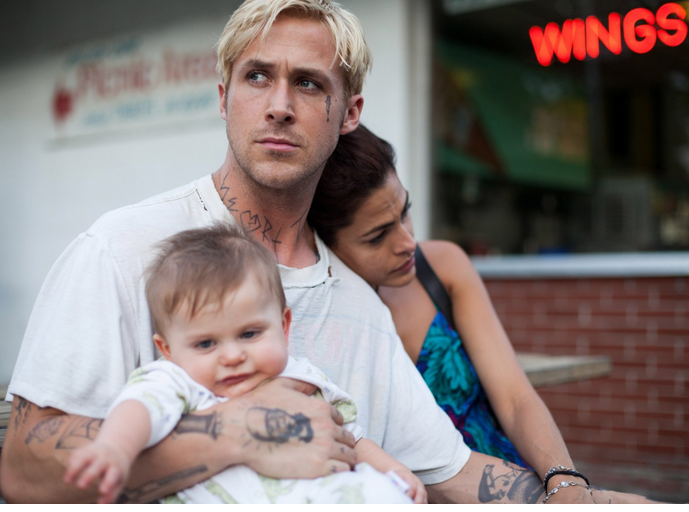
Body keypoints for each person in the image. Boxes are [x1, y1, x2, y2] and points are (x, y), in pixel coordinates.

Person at [0, 0, 644, 505]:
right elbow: (25, 469)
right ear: (224, 97)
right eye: (258, 77)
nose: (279, 106)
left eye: (308, 84)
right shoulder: (123, 249)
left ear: (349, 112)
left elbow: (447, 471)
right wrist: (240, 435)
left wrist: (575, 493)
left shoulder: (360, 305)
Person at [308, 124, 658, 505]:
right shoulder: (322, 321)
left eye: (404, 212)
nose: (407, 242)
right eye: (378, 236)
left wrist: (566, 482)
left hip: (519, 484)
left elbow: (514, 395)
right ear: (327, 244)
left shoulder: (439, 268)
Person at [63, 223, 424, 504]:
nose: (233, 356)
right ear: (168, 349)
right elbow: (138, 409)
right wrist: (114, 448)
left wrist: (392, 468)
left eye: (250, 334)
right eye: (206, 343)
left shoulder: (301, 378)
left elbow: (350, 438)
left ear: (283, 326)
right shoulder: (177, 382)